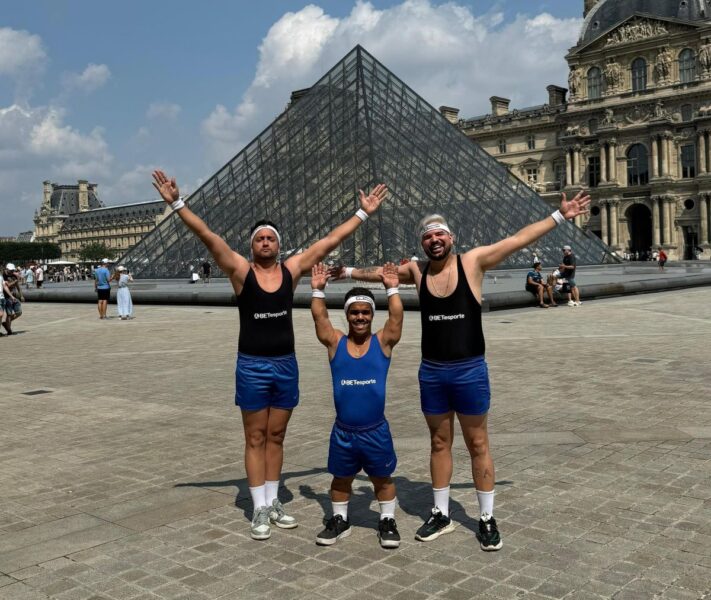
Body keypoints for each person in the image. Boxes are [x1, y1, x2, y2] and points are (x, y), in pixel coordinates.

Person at [339, 190, 590, 551]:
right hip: (432, 372)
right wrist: (345, 271)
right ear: (422, 243)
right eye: (427, 235)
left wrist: (560, 216)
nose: (434, 239)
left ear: (451, 238)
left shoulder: (472, 262)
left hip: (469, 370)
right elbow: (383, 273)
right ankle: (440, 513)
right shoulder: (417, 270)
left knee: (477, 443)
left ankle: (486, 517)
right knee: (439, 442)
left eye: (439, 233)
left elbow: (518, 239)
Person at [151, 169, 388, 541]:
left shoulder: (291, 271)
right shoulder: (240, 272)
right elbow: (207, 236)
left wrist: (362, 214)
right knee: (254, 437)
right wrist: (178, 203)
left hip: (285, 365)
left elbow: (327, 243)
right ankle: (258, 506)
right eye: (259, 238)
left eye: (270, 238)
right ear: (251, 246)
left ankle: (274, 501)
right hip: (252, 365)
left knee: (276, 436)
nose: (265, 242)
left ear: (279, 245)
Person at [310, 262, 403, 549]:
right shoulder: (335, 342)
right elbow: (320, 318)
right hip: (344, 432)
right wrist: (317, 290)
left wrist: (392, 288)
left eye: (365, 312)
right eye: (354, 312)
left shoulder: (383, 342)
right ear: (347, 315)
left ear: (373, 315)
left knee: (382, 479)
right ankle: (340, 520)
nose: (360, 317)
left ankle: (387, 520)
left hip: (375, 430)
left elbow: (397, 317)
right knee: (340, 480)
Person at [2, 263, 24, 335]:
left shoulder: (14, 276)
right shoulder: (3, 276)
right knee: (9, 314)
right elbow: (7, 285)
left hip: (14, 297)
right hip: (7, 297)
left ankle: (6, 323)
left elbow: (18, 286)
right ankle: (9, 330)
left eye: (13, 270)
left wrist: (21, 295)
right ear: (7, 269)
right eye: (11, 270)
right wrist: (15, 281)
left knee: (19, 312)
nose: (12, 272)